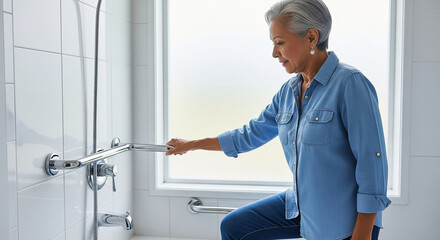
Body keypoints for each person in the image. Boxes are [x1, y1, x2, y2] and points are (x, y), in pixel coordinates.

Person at [165, 0, 391, 239]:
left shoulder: (350, 84)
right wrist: (191, 144)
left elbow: (372, 165)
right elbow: (250, 134)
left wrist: (363, 235)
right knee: (234, 227)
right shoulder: (289, 92)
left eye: (280, 43)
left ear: (312, 38)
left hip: (343, 222)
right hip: (301, 206)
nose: (274, 53)